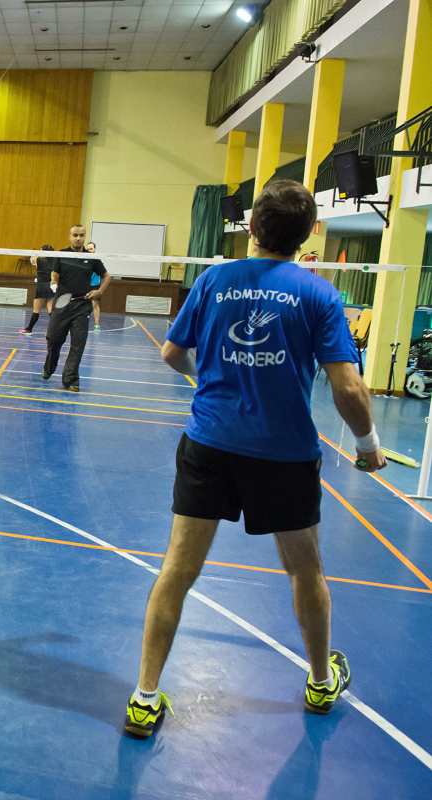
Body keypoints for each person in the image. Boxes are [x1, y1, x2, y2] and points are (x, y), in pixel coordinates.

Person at [123, 179, 385, 739]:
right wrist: (367, 445)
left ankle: (144, 697)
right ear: (309, 233)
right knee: (305, 569)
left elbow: (172, 352)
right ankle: (320, 682)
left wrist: (207, 381)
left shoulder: (215, 279)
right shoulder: (318, 294)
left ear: (251, 228)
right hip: (285, 458)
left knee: (177, 570)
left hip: (210, 446)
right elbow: (349, 389)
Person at [42, 225, 109, 392]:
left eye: (81, 235)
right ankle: (49, 367)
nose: (78, 238)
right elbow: (54, 275)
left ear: (84, 237)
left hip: (82, 305)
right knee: (53, 339)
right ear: (70, 236)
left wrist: (100, 291)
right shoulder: (61, 254)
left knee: (78, 344)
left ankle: (71, 380)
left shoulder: (91, 258)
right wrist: (54, 284)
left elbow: (106, 276)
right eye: (75, 235)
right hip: (62, 303)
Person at [21, 244, 55, 334]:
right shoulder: (54, 261)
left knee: (36, 310)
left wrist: (34, 252)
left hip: (42, 286)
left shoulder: (38, 259)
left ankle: (29, 329)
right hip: (51, 286)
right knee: (50, 310)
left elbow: (32, 260)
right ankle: (56, 329)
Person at [87, 242, 102, 329]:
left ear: (94, 250)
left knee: (95, 304)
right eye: (88, 249)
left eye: (91, 249)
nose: (89, 250)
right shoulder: (83, 260)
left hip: (95, 285)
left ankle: (96, 324)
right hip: (84, 285)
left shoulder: (97, 260)